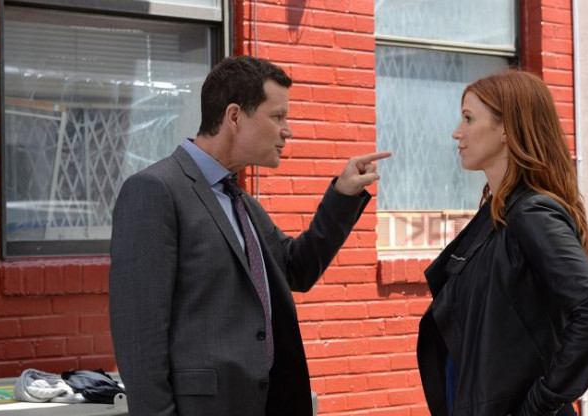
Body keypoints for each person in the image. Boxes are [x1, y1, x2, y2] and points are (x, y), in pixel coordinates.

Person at [109, 55, 391, 416]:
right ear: (234, 117)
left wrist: (343, 196)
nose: (287, 131)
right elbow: (139, 336)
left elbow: (297, 269)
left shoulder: (241, 203)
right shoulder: (155, 190)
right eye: (278, 117)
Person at [417, 71, 588, 416]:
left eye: (469, 118)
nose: (457, 132)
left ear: (506, 129)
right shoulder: (498, 213)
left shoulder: (531, 213)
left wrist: (537, 406)